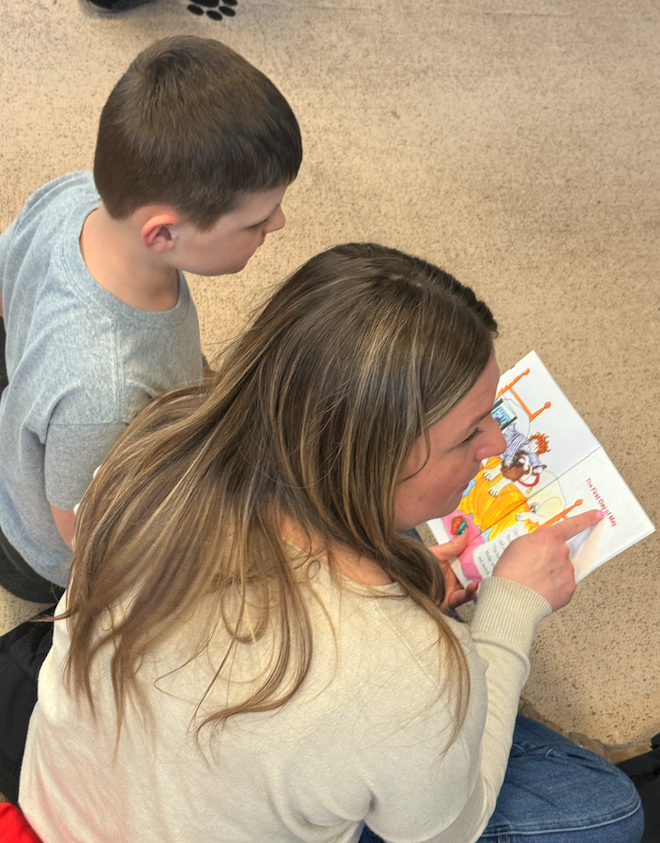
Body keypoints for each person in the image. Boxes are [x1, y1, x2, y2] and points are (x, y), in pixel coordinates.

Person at [20, 244, 642, 843]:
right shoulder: (415, 670)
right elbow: (449, 832)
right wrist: (509, 609)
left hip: (55, 803)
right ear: (377, 458)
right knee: (604, 808)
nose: (498, 447)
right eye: (468, 436)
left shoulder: (149, 450)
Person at [0, 35, 302, 604]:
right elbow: (88, 536)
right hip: (40, 557)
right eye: (257, 222)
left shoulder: (82, 194)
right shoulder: (105, 393)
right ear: (162, 233)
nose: (279, 224)